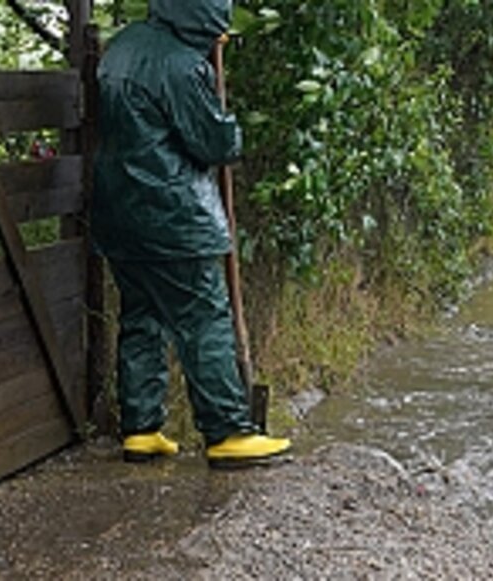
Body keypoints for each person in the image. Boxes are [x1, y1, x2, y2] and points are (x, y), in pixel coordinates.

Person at [92, 0, 290, 466]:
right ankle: (228, 431)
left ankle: (141, 430)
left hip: (119, 213)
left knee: (141, 318)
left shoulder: (121, 48)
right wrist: (230, 129)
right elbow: (214, 144)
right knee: (204, 318)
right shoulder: (181, 65)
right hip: (174, 217)